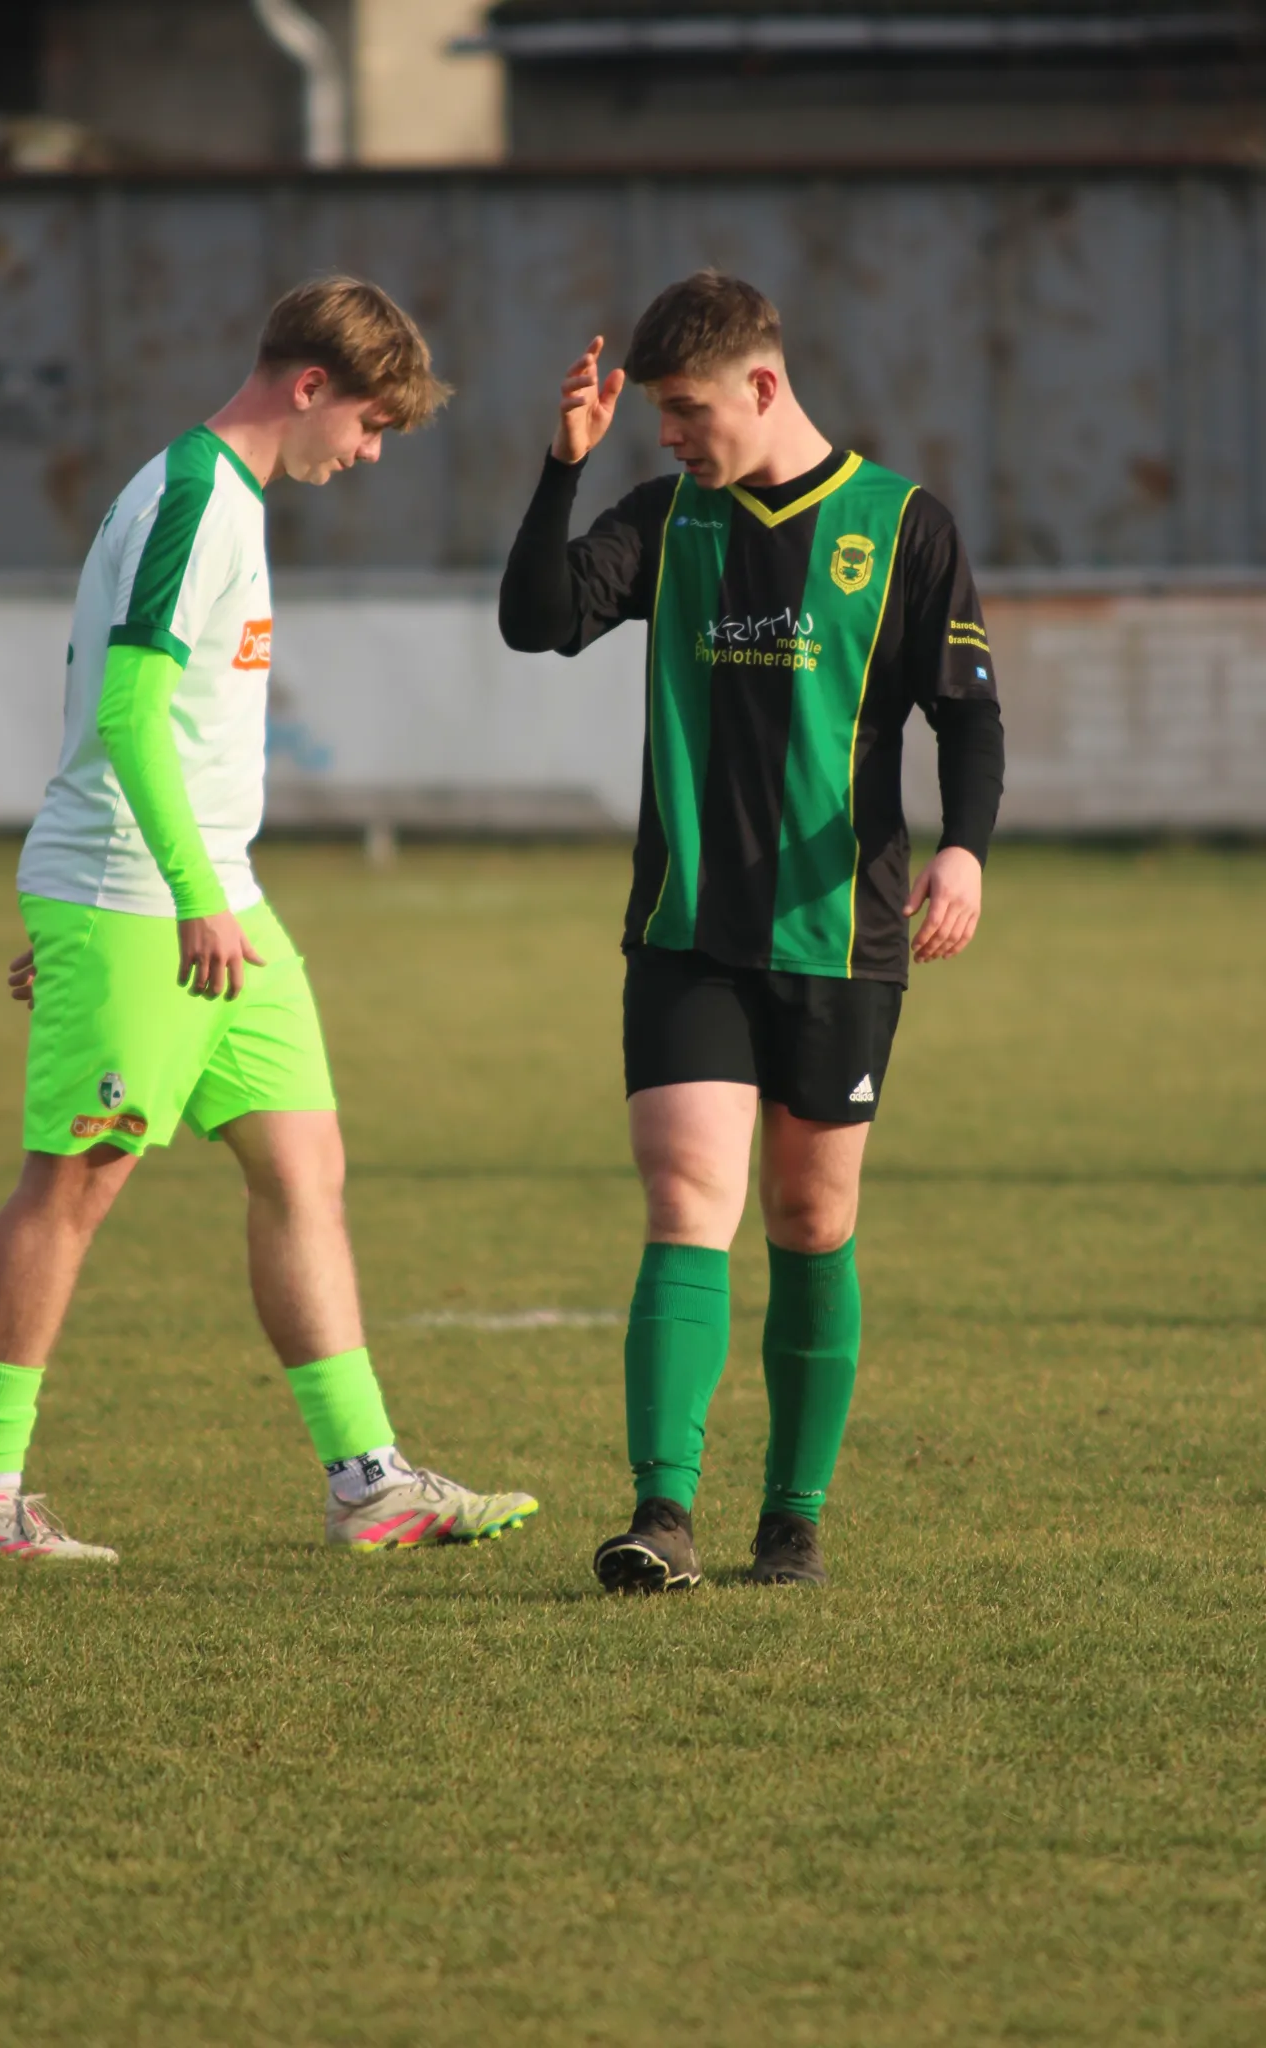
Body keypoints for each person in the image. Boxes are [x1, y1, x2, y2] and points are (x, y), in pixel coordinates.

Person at [0, 277, 537, 1563]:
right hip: (154, 897)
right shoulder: (195, 499)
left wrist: (199, 891)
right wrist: (164, 899)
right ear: (308, 386)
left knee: (304, 1168)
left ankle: (369, 1481)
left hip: (207, 894)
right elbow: (127, 716)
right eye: (368, 424)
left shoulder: (220, 498)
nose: (368, 453)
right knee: (74, 1184)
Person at [499, 270, 1003, 1593]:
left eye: (685, 410)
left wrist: (961, 849)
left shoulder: (901, 526)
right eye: (659, 415)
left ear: (762, 385)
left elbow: (967, 715)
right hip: (686, 929)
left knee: (809, 1215)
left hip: (840, 935)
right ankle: (660, 1513)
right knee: (685, 1199)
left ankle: (791, 1523)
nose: (669, 434)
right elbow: (535, 623)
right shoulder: (666, 520)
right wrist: (561, 470)